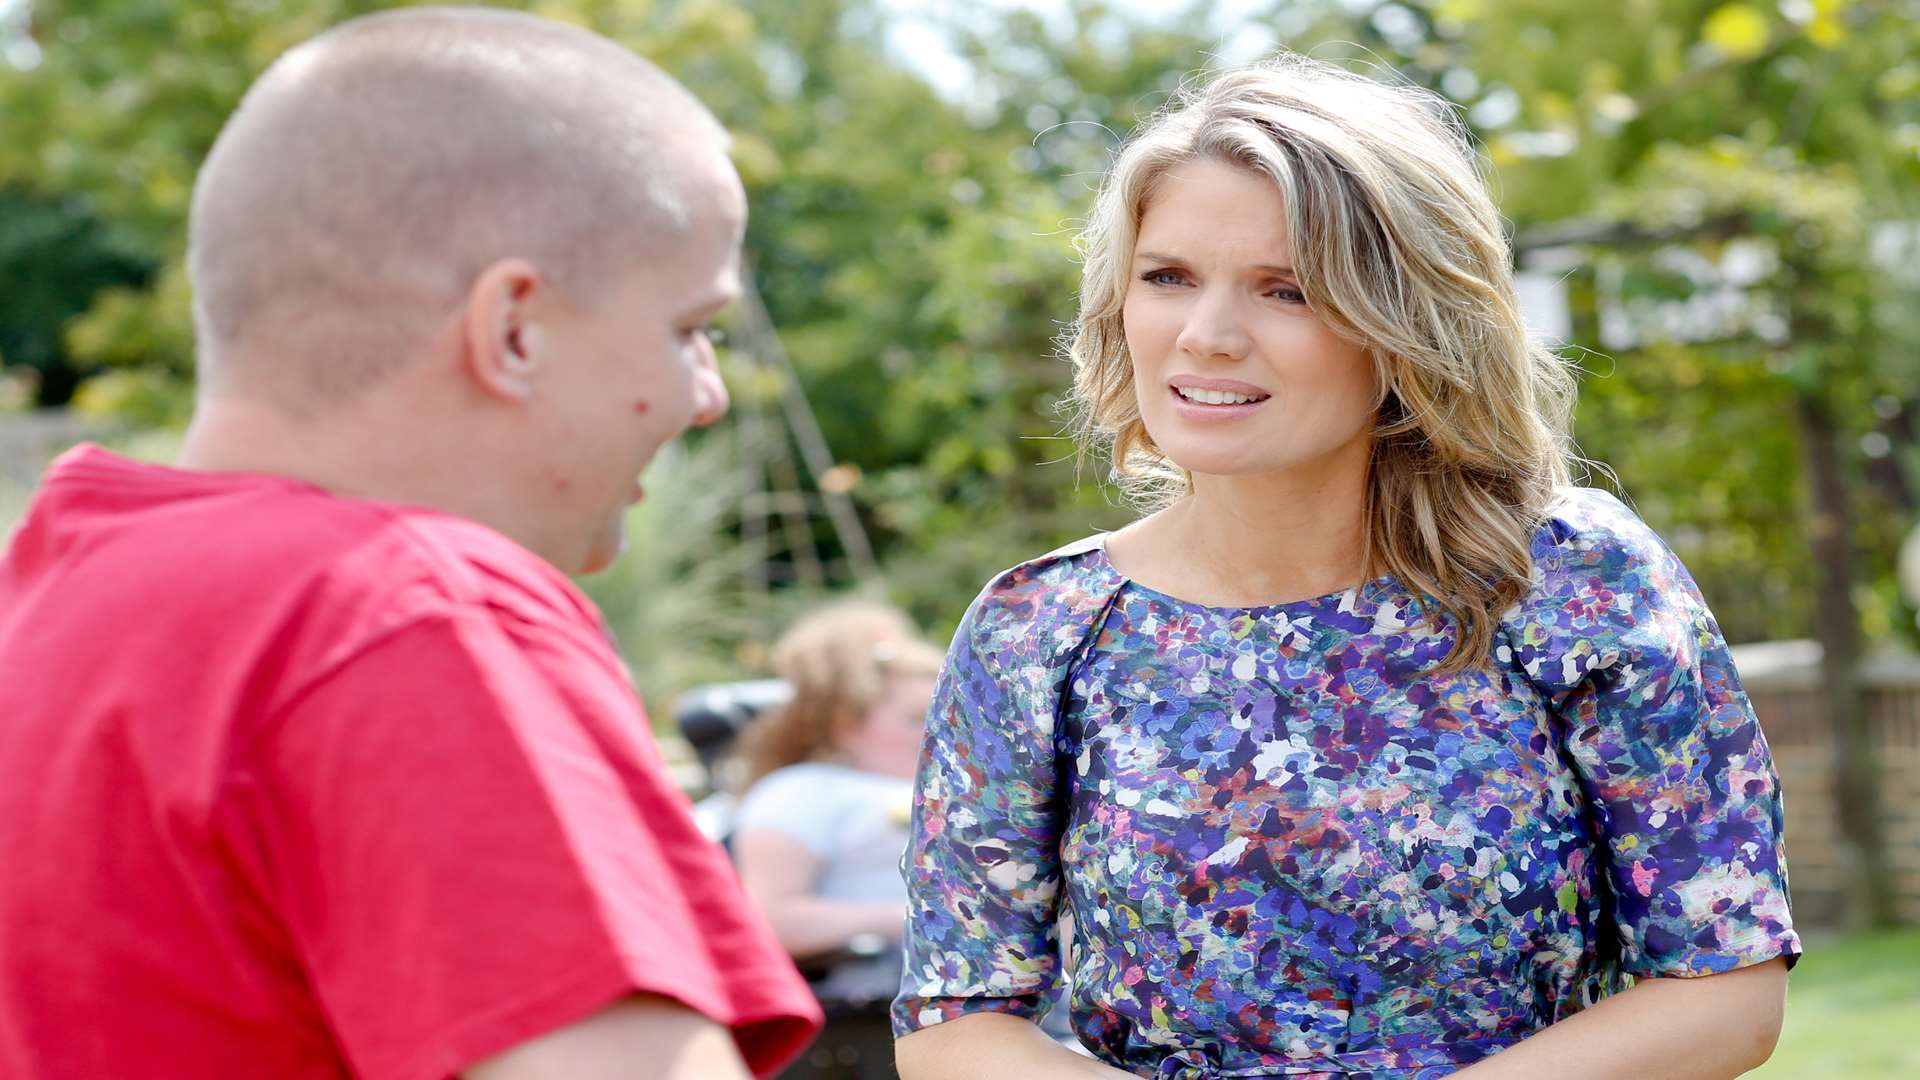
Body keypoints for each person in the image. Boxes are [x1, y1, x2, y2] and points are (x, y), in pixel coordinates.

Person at [892, 55, 1801, 1080]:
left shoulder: (1567, 577)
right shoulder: (1037, 629)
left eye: (1287, 290)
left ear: (1406, 323)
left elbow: (1727, 986)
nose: (1207, 335)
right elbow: (958, 1019)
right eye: (1168, 277)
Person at [0, 8, 821, 1079]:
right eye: (688, 330)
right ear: (514, 330)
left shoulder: (52, 600)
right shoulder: (409, 612)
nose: (705, 395)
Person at [732, 602, 943, 970]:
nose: (938, 732)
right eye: (915, 719)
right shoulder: (798, 792)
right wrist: (929, 918)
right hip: (883, 995)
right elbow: (770, 918)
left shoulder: (959, 787)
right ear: (845, 723)